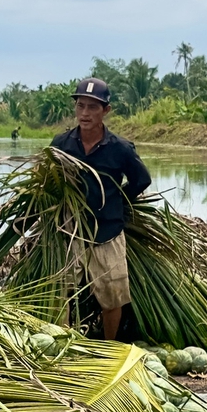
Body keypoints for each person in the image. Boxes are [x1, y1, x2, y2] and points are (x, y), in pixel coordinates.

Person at [49, 76, 151, 341]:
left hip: (107, 230)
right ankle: (64, 343)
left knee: (112, 294)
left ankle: (109, 347)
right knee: (61, 292)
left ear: (106, 110)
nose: (85, 113)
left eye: (93, 107)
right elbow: (48, 182)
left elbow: (142, 179)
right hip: (69, 230)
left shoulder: (120, 149)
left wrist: (117, 200)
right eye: (80, 106)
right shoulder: (61, 145)